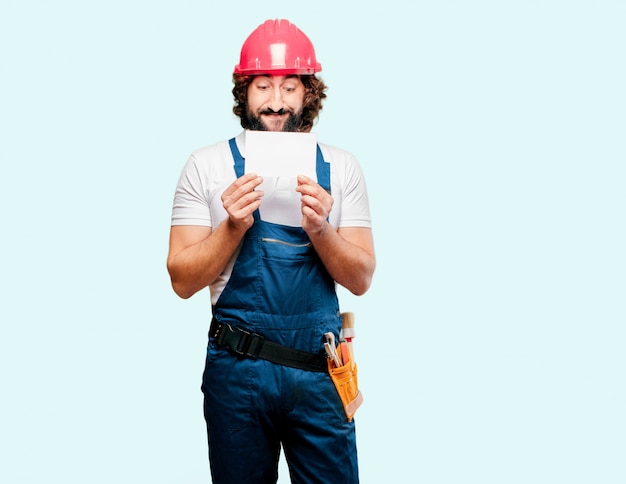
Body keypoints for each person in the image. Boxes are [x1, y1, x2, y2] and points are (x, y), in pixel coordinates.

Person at [166, 18, 375, 483]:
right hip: (237, 374)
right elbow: (181, 280)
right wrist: (232, 226)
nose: (276, 102)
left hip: (321, 374)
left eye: (289, 87)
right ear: (244, 91)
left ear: (308, 94)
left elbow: (361, 278)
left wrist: (322, 229)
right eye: (263, 85)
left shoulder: (341, 168)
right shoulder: (206, 165)